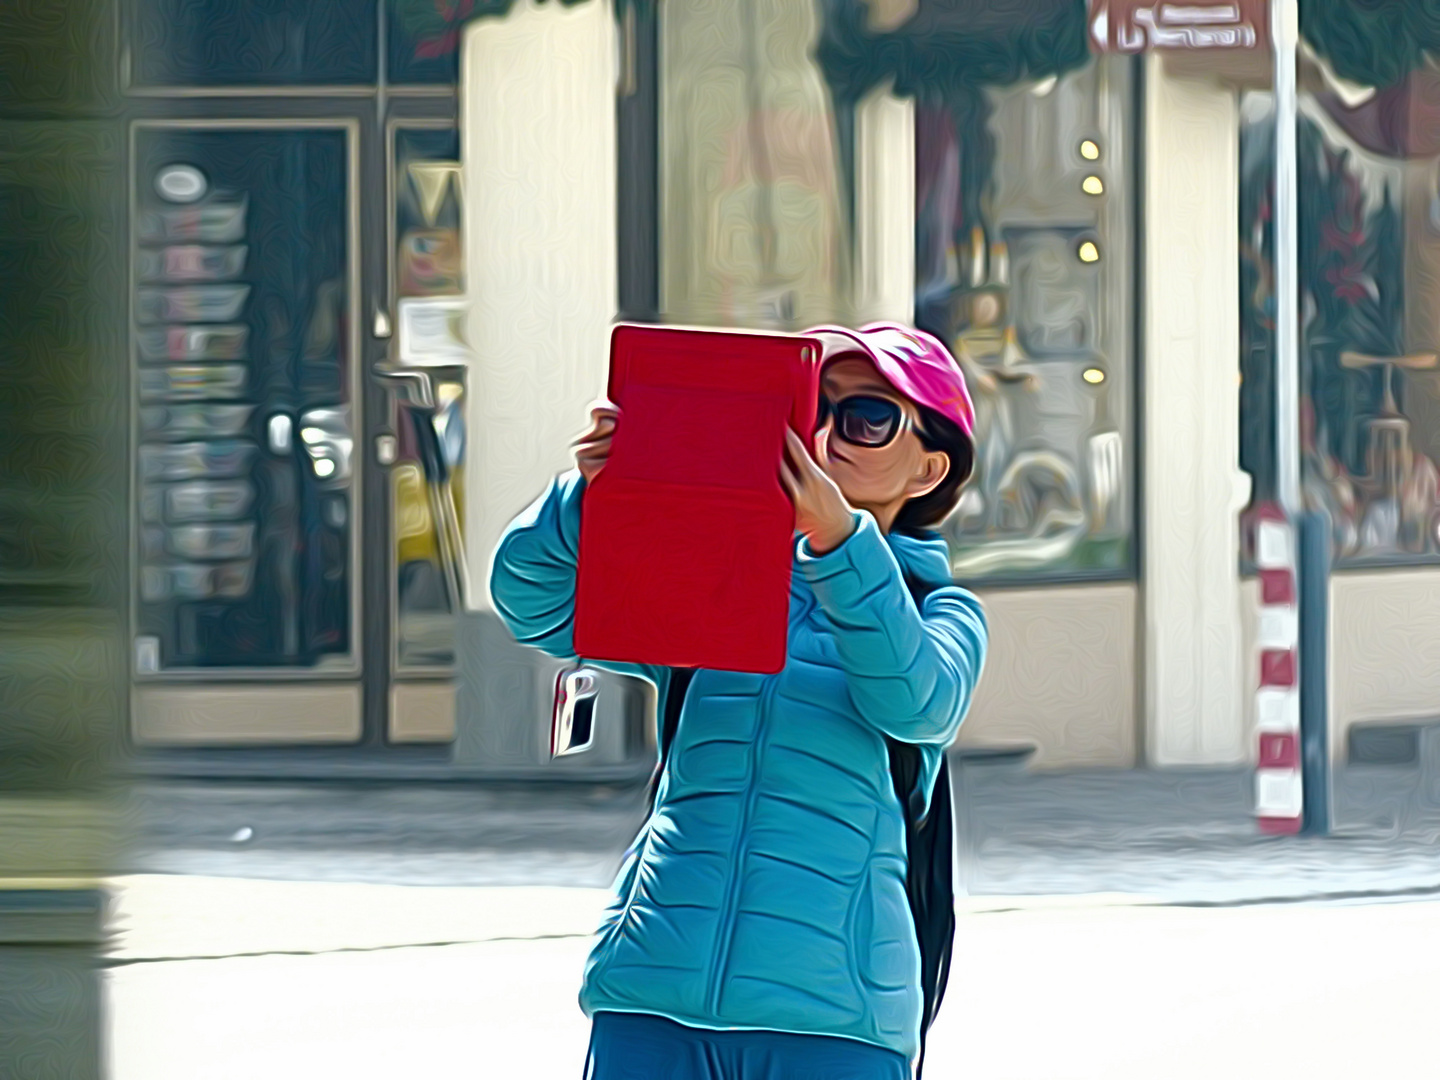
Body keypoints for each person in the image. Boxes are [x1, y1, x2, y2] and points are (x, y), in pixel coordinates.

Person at [489, 323, 988, 1079]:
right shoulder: (713, 576)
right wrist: (589, 495)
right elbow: (534, 604)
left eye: (868, 417)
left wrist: (838, 540)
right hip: (653, 993)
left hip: (834, 1022)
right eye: (813, 405)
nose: (826, 433)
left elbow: (917, 701)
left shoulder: (938, 610)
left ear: (927, 471)